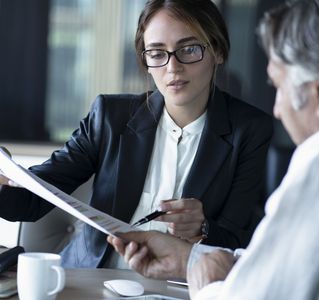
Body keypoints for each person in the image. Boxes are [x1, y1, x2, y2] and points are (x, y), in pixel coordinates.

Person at [107, 0, 319, 298]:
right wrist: (188, 259)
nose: (277, 109)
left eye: (279, 88)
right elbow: (289, 265)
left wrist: (207, 288)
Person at [0, 0, 273, 268]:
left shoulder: (249, 130)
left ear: (218, 51)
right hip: (93, 282)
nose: (172, 67)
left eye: (189, 49)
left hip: (181, 288)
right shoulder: (110, 116)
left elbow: (240, 242)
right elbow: (32, 200)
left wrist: (202, 228)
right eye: (156, 53)